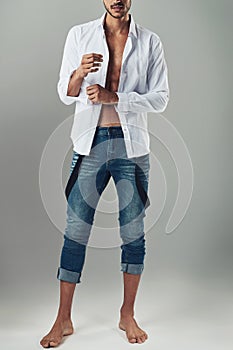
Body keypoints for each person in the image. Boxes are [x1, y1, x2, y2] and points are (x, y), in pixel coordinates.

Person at [40, 0, 169, 347]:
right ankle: (63, 319)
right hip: (89, 143)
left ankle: (127, 314)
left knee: (133, 231)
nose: (117, 0)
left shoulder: (149, 41)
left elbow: (161, 98)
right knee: (76, 229)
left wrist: (117, 97)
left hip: (131, 145)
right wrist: (79, 74)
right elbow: (65, 94)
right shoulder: (79, 35)